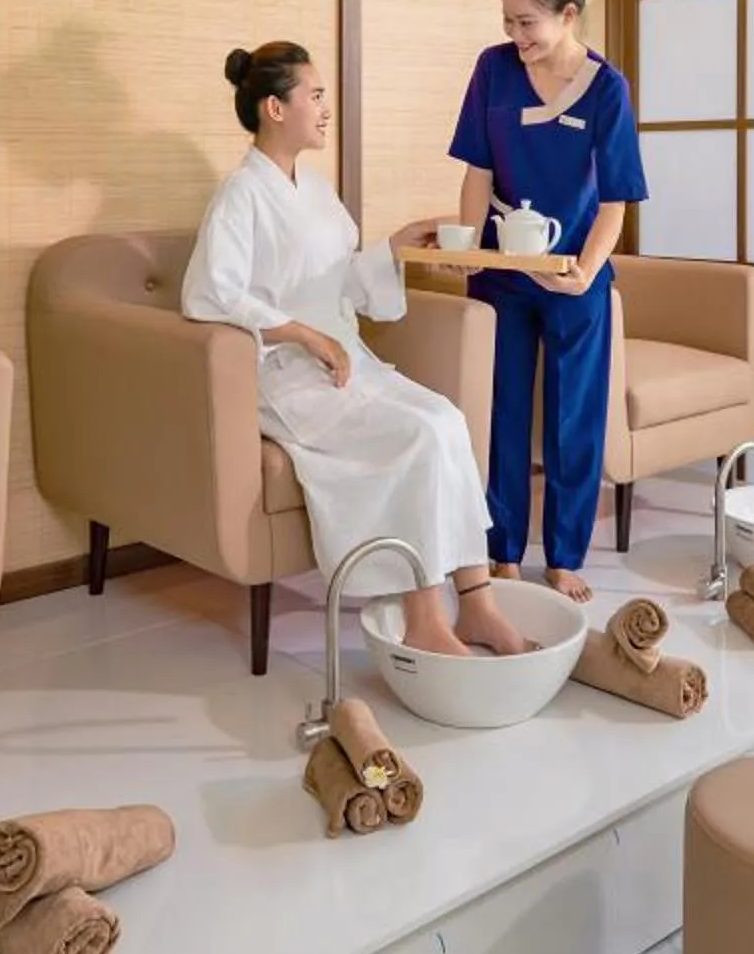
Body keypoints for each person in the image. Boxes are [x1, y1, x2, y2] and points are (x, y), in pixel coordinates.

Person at [182, 42, 529, 657]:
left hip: (341, 359)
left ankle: (476, 603)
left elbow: (338, 278)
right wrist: (302, 333)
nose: (324, 108)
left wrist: (392, 249)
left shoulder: (314, 189)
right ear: (274, 107)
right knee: (416, 436)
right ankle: (425, 619)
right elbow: (211, 295)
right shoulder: (240, 195)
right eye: (314, 96)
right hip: (281, 374)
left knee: (446, 420)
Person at [449, 0, 647, 602]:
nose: (515, 34)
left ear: (568, 16)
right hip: (501, 273)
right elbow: (478, 171)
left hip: (573, 274)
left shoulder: (607, 89)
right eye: (507, 21)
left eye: (526, 22)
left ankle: (564, 557)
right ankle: (502, 551)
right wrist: (466, 250)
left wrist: (589, 271)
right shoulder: (493, 68)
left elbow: (619, 199)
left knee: (573, 417)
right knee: (500, 409)